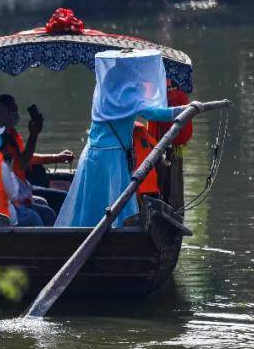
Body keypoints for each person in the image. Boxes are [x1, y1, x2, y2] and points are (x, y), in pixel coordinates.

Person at [55, 50, 194, 228]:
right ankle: (115, 238)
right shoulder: (127, 95)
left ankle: (86, 235)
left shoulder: (104, 93)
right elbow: (155, 113)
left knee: (91, 203)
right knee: (116, 203)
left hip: (92, 155)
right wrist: (187, 108)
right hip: (112, 157)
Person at [0, 94, 73, 220]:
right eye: (12, 111)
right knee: (47, 211)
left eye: (16, 110)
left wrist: (54, 156)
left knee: (49, 208)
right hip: (12, 194)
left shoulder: (11, 134)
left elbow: (23, 159)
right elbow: (21, 163)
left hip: (23, 187)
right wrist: (34, 135)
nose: (16, 114)